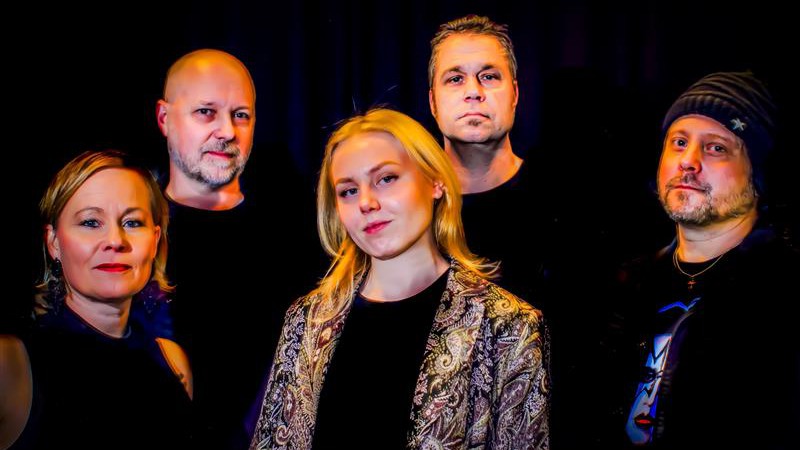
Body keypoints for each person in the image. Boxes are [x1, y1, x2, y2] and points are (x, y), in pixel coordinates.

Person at [249, 108, 548, 450]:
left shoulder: (509, 327)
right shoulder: (305, 322)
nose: (366, 202)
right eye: (348, 191)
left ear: (436, 181)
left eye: (386, 178)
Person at [603, 72, 800, 449]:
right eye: (679, 143)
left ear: (757, 173)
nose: (688, 162)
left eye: (716, 148)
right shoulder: (627, 285)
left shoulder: (784, 292)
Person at [155, 48, 300, 448]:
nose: (227, 131)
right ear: (164, 118)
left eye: (241, 115)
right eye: (206, 112)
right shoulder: (136, 234)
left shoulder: (296, 229)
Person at [0, 150, 192, 450]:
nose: (115, 241)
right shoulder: (10, 361)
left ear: (155, 241)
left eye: (132, 223)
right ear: (53, 242)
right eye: (91, 222)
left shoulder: (171, 360)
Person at [427, 14, 547, 303]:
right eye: (455, 79)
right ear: (433, 102)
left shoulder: (560, 200)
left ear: (515, 94)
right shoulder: (409, 210)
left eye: (489, 76)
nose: (473, 92)